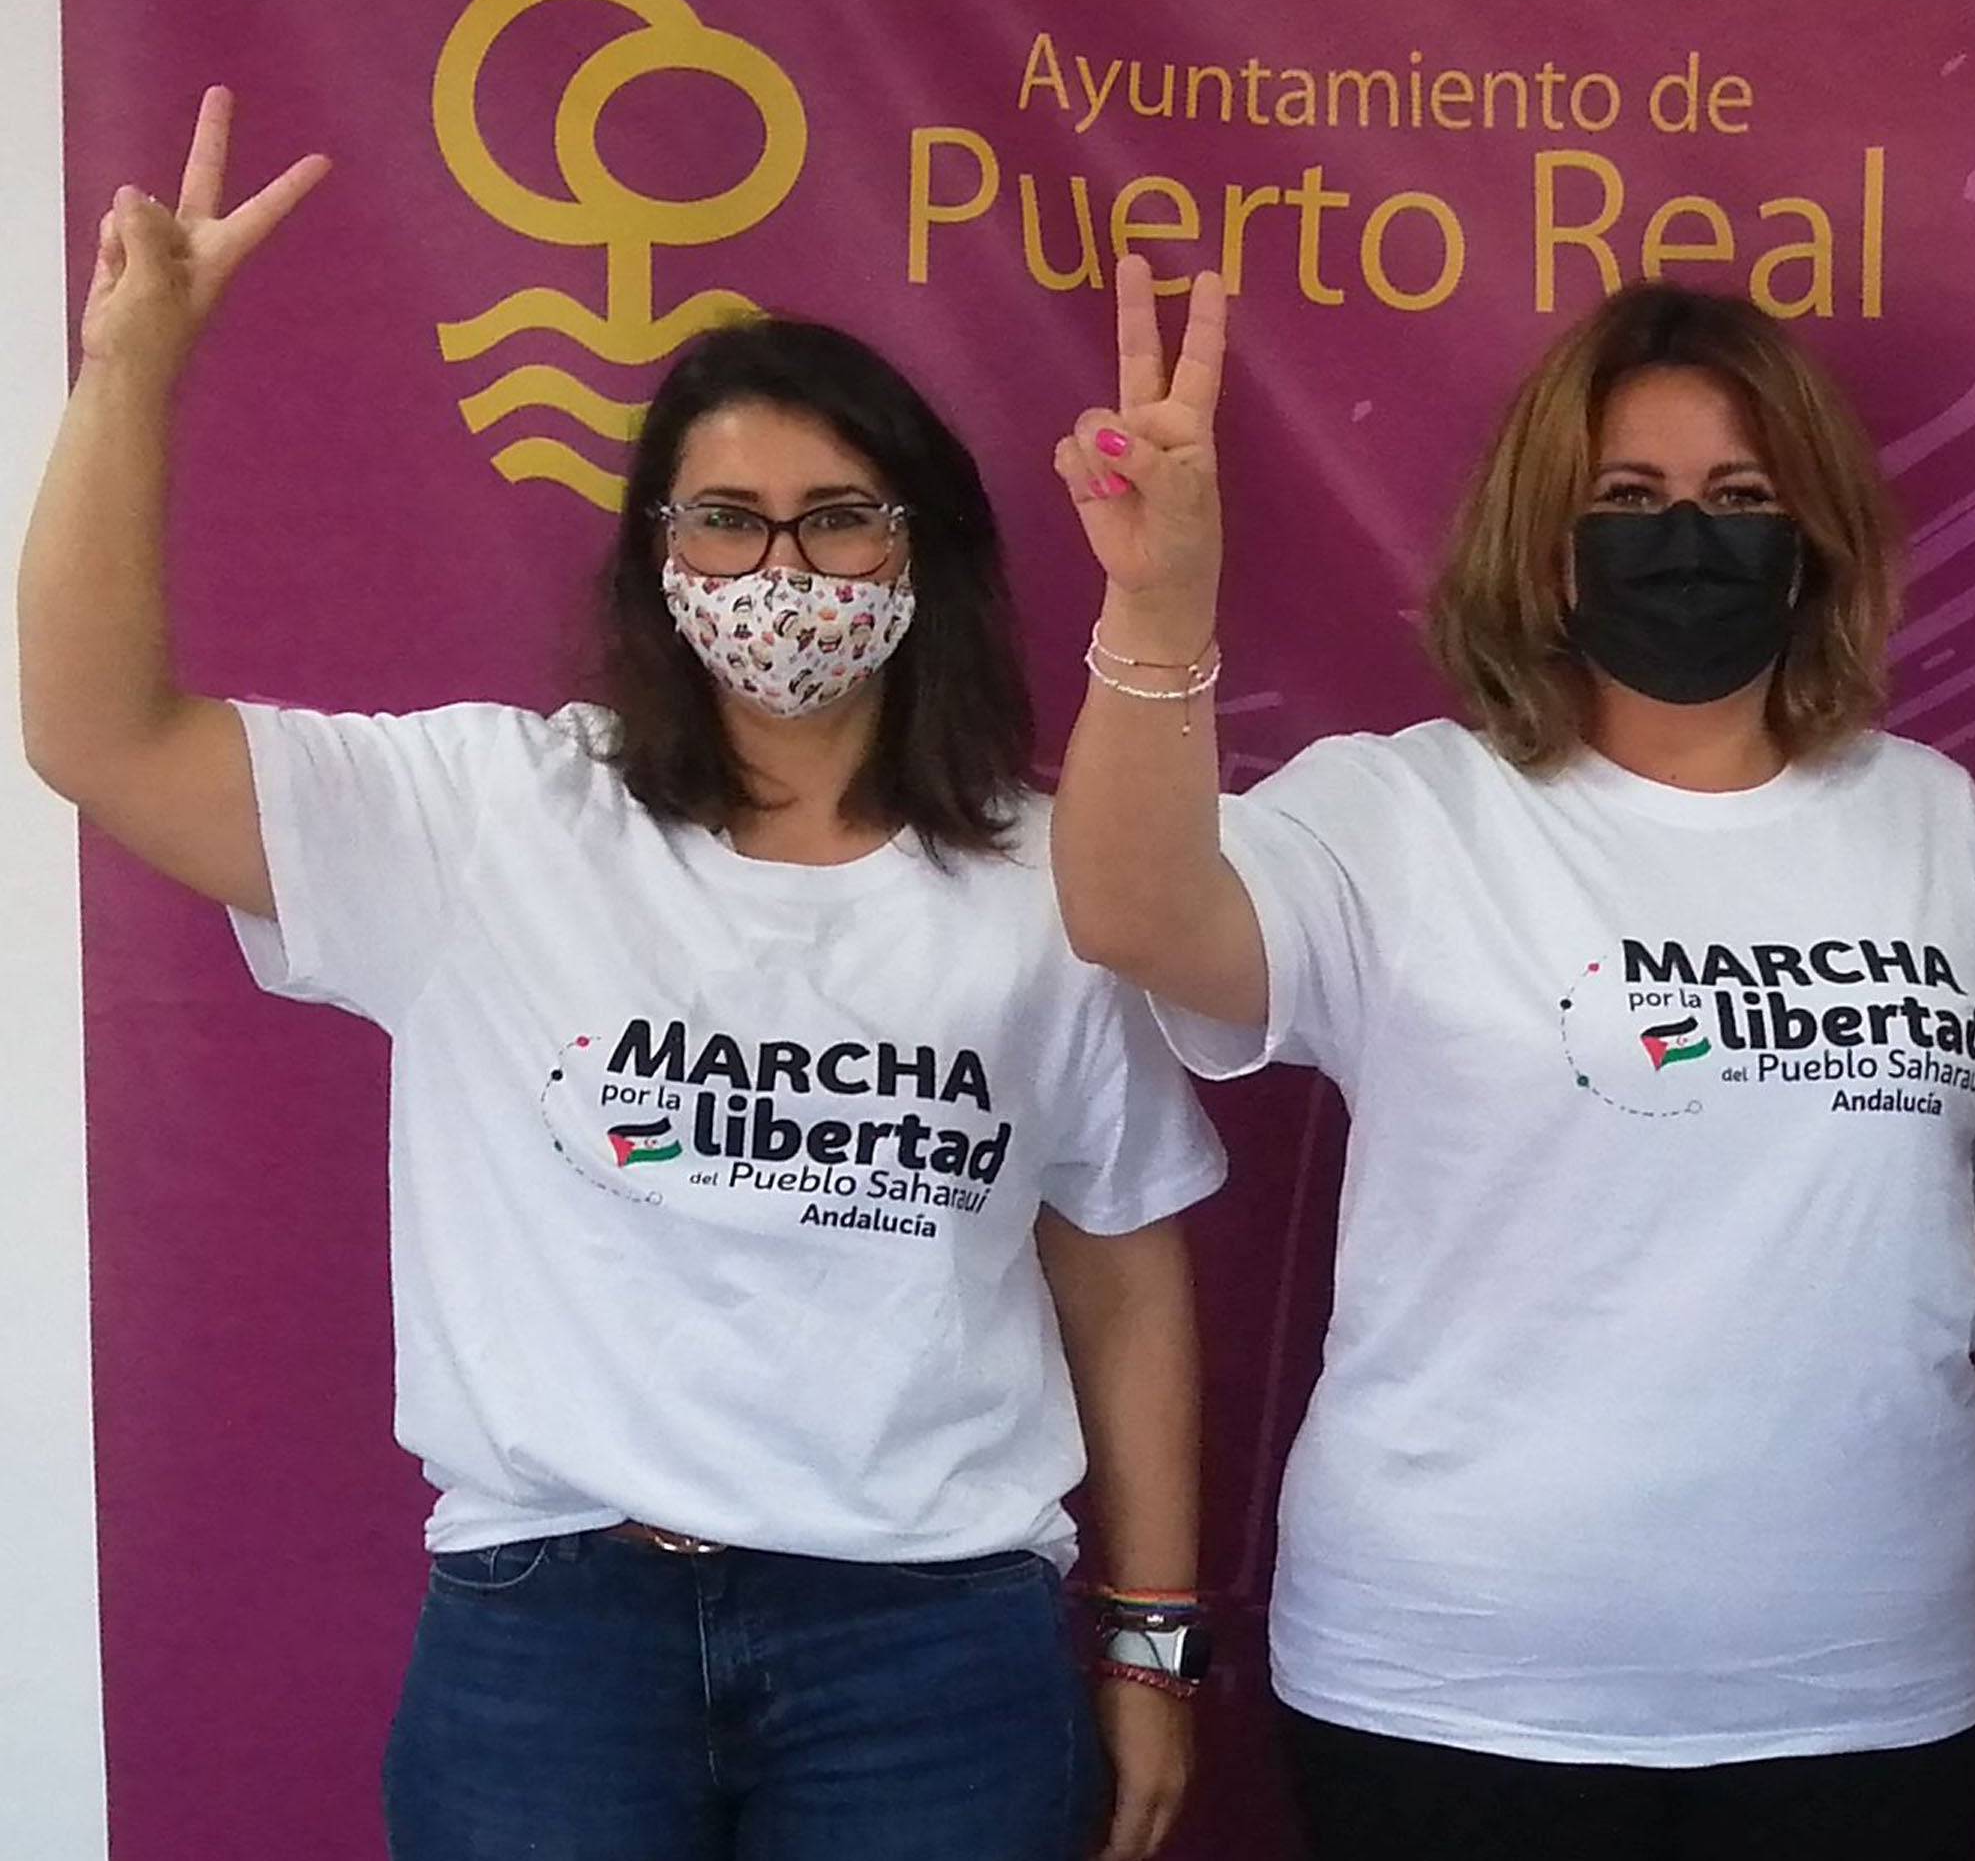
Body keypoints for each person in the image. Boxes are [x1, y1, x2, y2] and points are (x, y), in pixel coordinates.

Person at [22, 90, 1230, 1861]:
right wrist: (133, 367)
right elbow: (97, 735)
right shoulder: (489, 815)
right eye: (725, 520)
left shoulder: (1061, 872)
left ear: (926, 553)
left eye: (838, 518)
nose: (780, 566)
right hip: (553, 1635)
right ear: (658, 559)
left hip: (931, 1646)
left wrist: (1148, 1640)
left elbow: (1121, 1272)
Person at [1045, 261, 1975, 1859]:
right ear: (1548, 538)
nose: (1689, 537)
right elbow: (1130, 908)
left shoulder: (1935, 824)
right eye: (1631, 495)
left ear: (1814, 538)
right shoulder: (1400, 811)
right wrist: (1159, 602)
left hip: (1865, 1690)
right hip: (1456, 1693)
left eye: (1742, 495)